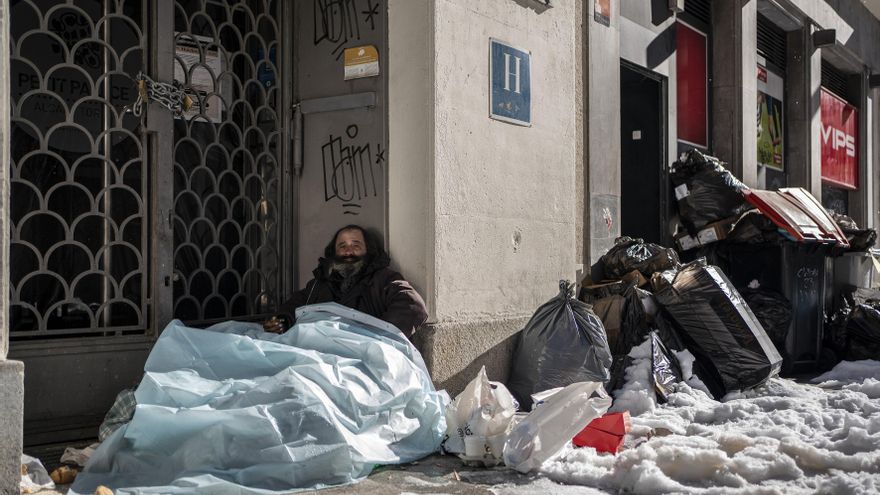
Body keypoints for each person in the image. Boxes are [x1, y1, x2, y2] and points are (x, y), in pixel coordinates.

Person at [263, 224, 428, 339]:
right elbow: (294, 305)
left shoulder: (383, 278)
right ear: (333, 252)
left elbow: (413, 306)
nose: (348, 250)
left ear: (368, 250)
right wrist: (282, 320)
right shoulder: (318, 284)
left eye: (356, 245)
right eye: (342, 246)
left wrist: (376, 338)